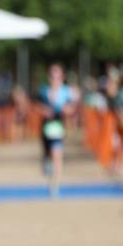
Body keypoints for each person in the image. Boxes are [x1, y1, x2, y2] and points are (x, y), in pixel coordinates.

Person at [35, 63, 76, 197]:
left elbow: (71, 109)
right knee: (47, 157)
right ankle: (47, 166)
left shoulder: (66, 92)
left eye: (57, 76)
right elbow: (37, 107)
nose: (55, 79)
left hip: (58, 127)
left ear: (62, 77)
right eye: (52, 76)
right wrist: (44, 111)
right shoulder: (43, 91)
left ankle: (55, 187)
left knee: (57, 155)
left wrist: (63, 110)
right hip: (45, 128)